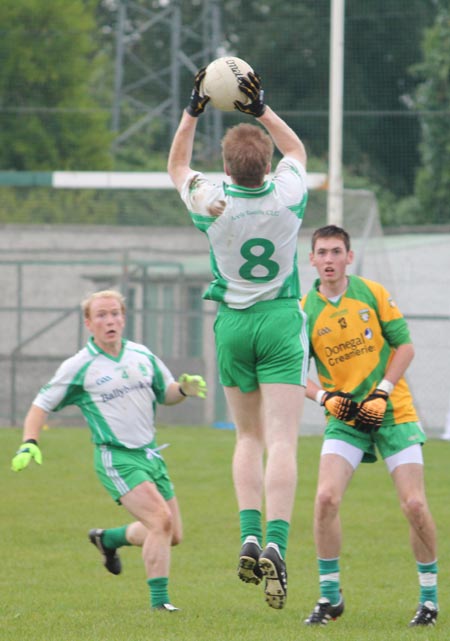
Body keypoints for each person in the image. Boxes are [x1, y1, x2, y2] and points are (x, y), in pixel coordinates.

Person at [167, 67, 309, 610]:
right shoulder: (289, 195)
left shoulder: (209, 199)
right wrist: (260, 109)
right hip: (278, 320)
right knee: (282, 441)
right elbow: (296, 148)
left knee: (246, 437)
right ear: (266, 165)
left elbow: (177, 165)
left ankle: (248, 533)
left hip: (232, 323)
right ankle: (275, 541)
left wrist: (194, 109)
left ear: (226, 166)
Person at [11, 289, 207, 613]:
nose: (110, 320)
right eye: (101, 315)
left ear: (124, 317)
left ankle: (109, 539)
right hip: (116, 457)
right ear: (88, 323)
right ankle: (161, 606)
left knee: (172, 534)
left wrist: (184, 390)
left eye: (115, 313)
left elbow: (167, 394)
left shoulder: (142, 355)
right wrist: (29, 442)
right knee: (161, 520)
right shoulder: (80, 366)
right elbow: (40, 404)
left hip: (150, 455)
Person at [301, 225, 438, 627]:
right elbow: (293, 372)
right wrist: (326, 399)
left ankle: (428, 600)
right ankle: (330, 597)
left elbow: (405, 346)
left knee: (414, 504)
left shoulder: (373, 293)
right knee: (325, 498)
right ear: (311, 259)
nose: (329, 259)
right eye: (322, 252)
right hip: (345, 420)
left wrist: (381, 392)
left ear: (349, 257)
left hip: (392, 410)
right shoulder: (304, 310)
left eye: (336, 251)